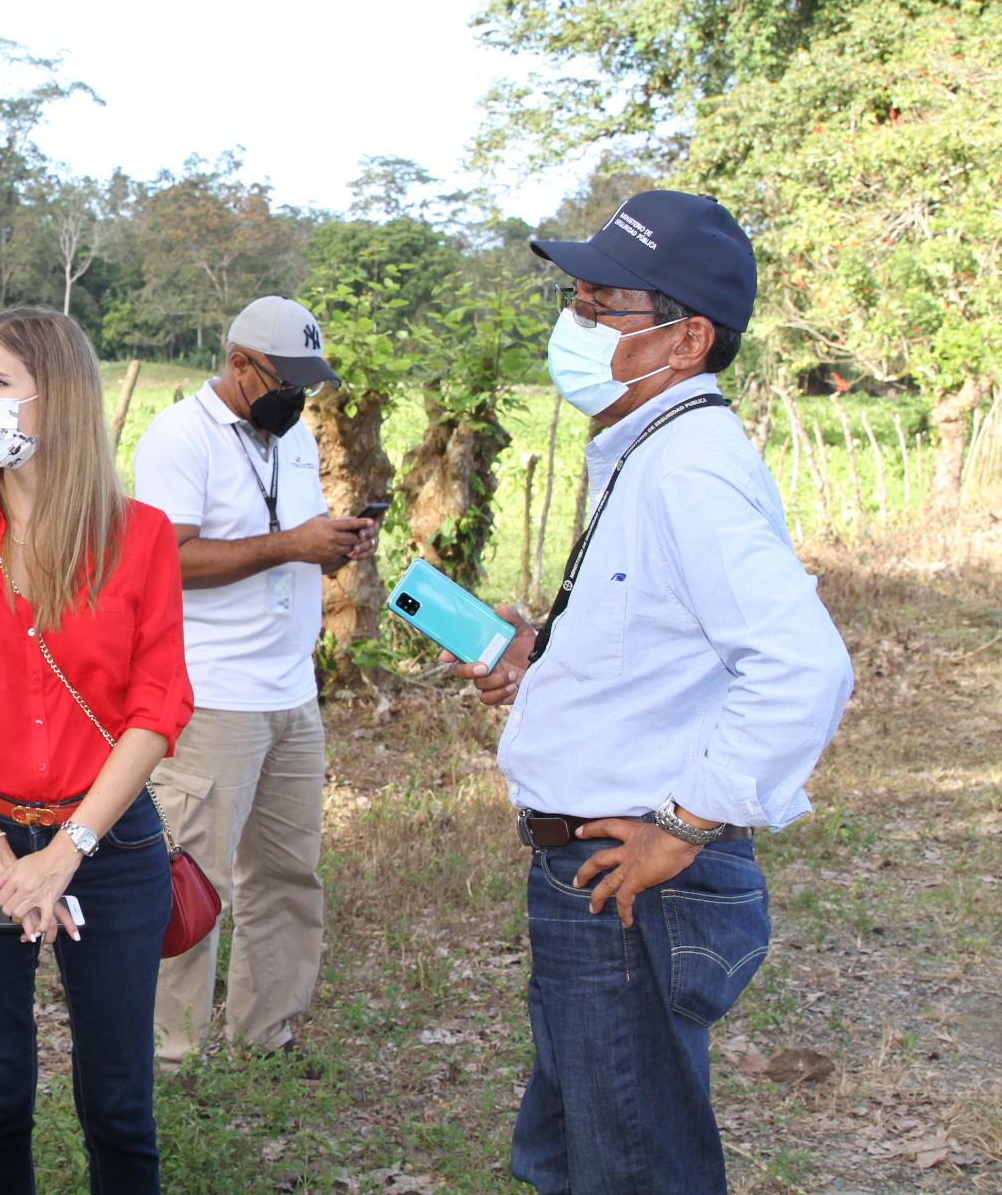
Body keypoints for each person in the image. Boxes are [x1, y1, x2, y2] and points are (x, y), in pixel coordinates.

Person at [451, 191, 853, 1195]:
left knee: (635, 1170)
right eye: (573, 296)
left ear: (687, 339)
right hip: (591, 880)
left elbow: (804, 666)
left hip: (631, 887)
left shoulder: (689, 470)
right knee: (571, 1158)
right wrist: (548, 655)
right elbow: (670, 642)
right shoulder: (649, 452)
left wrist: (684, 822)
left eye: (602, 306)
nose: (573, 322)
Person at [0, 306, 194, 1195]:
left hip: (109, 848)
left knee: (122, 1106)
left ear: (57, 401)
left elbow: (157, 706)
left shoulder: (140, 539)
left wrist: (64, 854)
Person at [131, 295, 379, 1066]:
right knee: (193, 884)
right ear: (239, 364)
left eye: (309, 382)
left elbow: (288, 540)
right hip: (213, 697)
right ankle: (170, 1055)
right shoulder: (180, 437)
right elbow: (164, 560)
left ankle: (268, 1035)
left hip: (290, 693)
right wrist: (287, 546)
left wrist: (329, 548)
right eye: (284, 379)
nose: (298, 397)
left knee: (286, 874)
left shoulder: (293, 437)